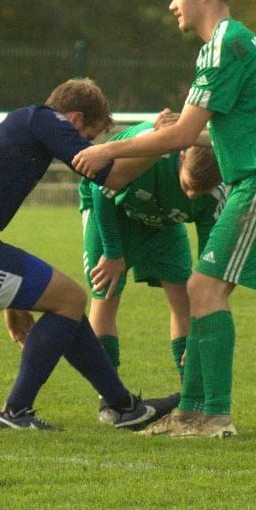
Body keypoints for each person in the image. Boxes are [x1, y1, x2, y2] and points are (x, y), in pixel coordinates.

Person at [73, 0, 256, 438]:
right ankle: (193, 412)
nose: (171, 4)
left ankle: (212, 415)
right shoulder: (231, 44)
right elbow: (202, 134)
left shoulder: (223, 45)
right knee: (203, 290)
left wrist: (108, 151)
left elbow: (181, 135)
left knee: (203, 290)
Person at [0, 78, 180, 431]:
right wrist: (160, 143)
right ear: (74, 118)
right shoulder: (49, 122)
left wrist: (15, 298)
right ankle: (15, 412)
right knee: (69, 298)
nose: (88, 146)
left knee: (67, 302)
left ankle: (124, 407)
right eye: (89, 136)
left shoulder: (22, 122)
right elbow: (113, 178)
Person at [80, 121, 226, 423]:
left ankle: (191, 398)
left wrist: (200, 329)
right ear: (182, 156)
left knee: (185, 297)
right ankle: (110, 401)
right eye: (187, 186)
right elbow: (101, 187)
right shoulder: (153, 150)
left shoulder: (214, 195)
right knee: (106, 293)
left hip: (162, 224)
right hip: (112, 213)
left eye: (199, 192)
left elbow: (209, 276)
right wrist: (112, 253)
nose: (190, 196)